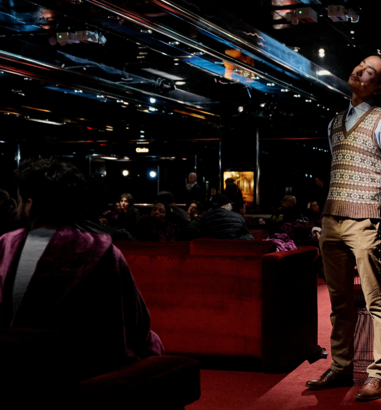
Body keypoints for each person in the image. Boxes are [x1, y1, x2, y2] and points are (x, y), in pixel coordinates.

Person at [0, 158, 163, 379]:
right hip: (84, 370)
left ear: (29, 204)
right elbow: (137, 323)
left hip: (13, 364)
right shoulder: (104, 251)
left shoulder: (5, 246)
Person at [307, 54, 381, 402]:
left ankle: (380, 373)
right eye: (360, 65)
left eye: (370, 71)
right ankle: (342, 366)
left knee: (376, 300)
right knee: (339, 301)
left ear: (379, 86)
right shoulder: (334, 123)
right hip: (332, 219)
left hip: (366, 219)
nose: (359, 71)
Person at [182, 194, 253, 240]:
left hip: (209, 255)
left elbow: (188, 233)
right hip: (232, 253)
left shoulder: (202, 218)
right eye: (230, 205)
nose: (231, 207)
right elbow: (249, 238)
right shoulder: (238, 217)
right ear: (227, 205)